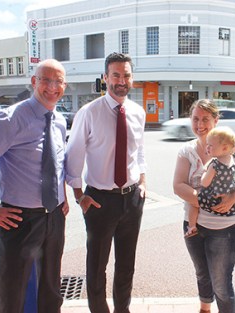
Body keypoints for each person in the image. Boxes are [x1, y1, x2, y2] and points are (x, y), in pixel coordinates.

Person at [0, 59, 69, 313]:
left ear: (65, 86)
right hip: (19, 219)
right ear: (34, 82)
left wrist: (63, 196)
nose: (52, 87)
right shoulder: (12, 118)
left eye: (58, 81)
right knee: (14, 292)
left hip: (54, 217)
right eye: (46, 80)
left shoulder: (60, 121)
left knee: (50, 289)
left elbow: (57, 162)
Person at [65, 52, 146, 313]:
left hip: (132, 199)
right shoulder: (89, 112)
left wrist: (142, 182)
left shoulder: (137, 112)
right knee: (97, 266)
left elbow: (139, 151)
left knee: (127, 265)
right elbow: (74, 156)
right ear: (105, 78)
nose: (121, 80)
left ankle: (123, 309)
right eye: (116, 75)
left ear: (132, 78)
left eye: (126, 75)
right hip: (99, 200)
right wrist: (79, 196)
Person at [173, 99, 235, 313]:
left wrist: (232, 197)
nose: (200, 124)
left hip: (227, 229)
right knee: (202, 273)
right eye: (195, 119)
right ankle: (205, 309)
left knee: (221, 282)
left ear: (216, 121)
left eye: (205, 119)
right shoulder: (187, 151)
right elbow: (178, 185)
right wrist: (205, 202)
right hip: (194, 225)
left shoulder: (231, 147)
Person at [185, 126, 235, 238]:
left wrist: (203, 175)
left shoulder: (215, 165)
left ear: (225, 148)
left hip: (216, 200)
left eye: (210, 146)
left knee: (194, 204)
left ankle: (192, 226)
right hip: (234, 202)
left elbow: (205, 183)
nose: (207, 148)